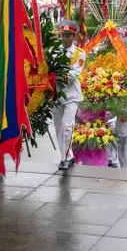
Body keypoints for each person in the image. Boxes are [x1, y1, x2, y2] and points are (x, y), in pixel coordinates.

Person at [51, 20, 86, 171]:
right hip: (57, 94)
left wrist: (56, 74)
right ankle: (67, 155)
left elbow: (73, 75)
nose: (64, 38)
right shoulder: (54, 51)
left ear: (73, 36)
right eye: (63, 35)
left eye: (68, 36)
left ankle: (64, 159)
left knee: (67, 126)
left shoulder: (79, 53)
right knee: (58, 128)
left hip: (71, 95)